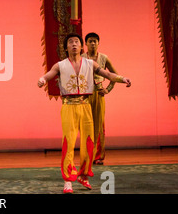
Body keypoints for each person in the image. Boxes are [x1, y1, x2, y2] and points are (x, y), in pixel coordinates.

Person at [37, 33, 131, 193]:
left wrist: (122, 79)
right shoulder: (60, 65)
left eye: (77, 42)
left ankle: (84, 176)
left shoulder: (90, 64)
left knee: (89, 143)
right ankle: (68, 180)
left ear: (81, 47)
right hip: (69, 107)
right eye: (71, 42)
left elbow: (108, 74)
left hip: (85, 105)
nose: (74, 44)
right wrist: (42, 80)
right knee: (68, 142)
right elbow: (48, 75)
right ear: (66, 47)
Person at [82, 32, 117, 165]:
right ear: (85, 44)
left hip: (98, 94)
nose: (92, 43)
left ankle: (98, 156)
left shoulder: (104, 58)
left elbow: (114, 75)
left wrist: (107, 89)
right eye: (90, 41)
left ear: (98, 43)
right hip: (85, 96)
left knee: (99, 125)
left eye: (94, 41)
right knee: (85, 125)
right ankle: (87, 155)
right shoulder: (81, 58)